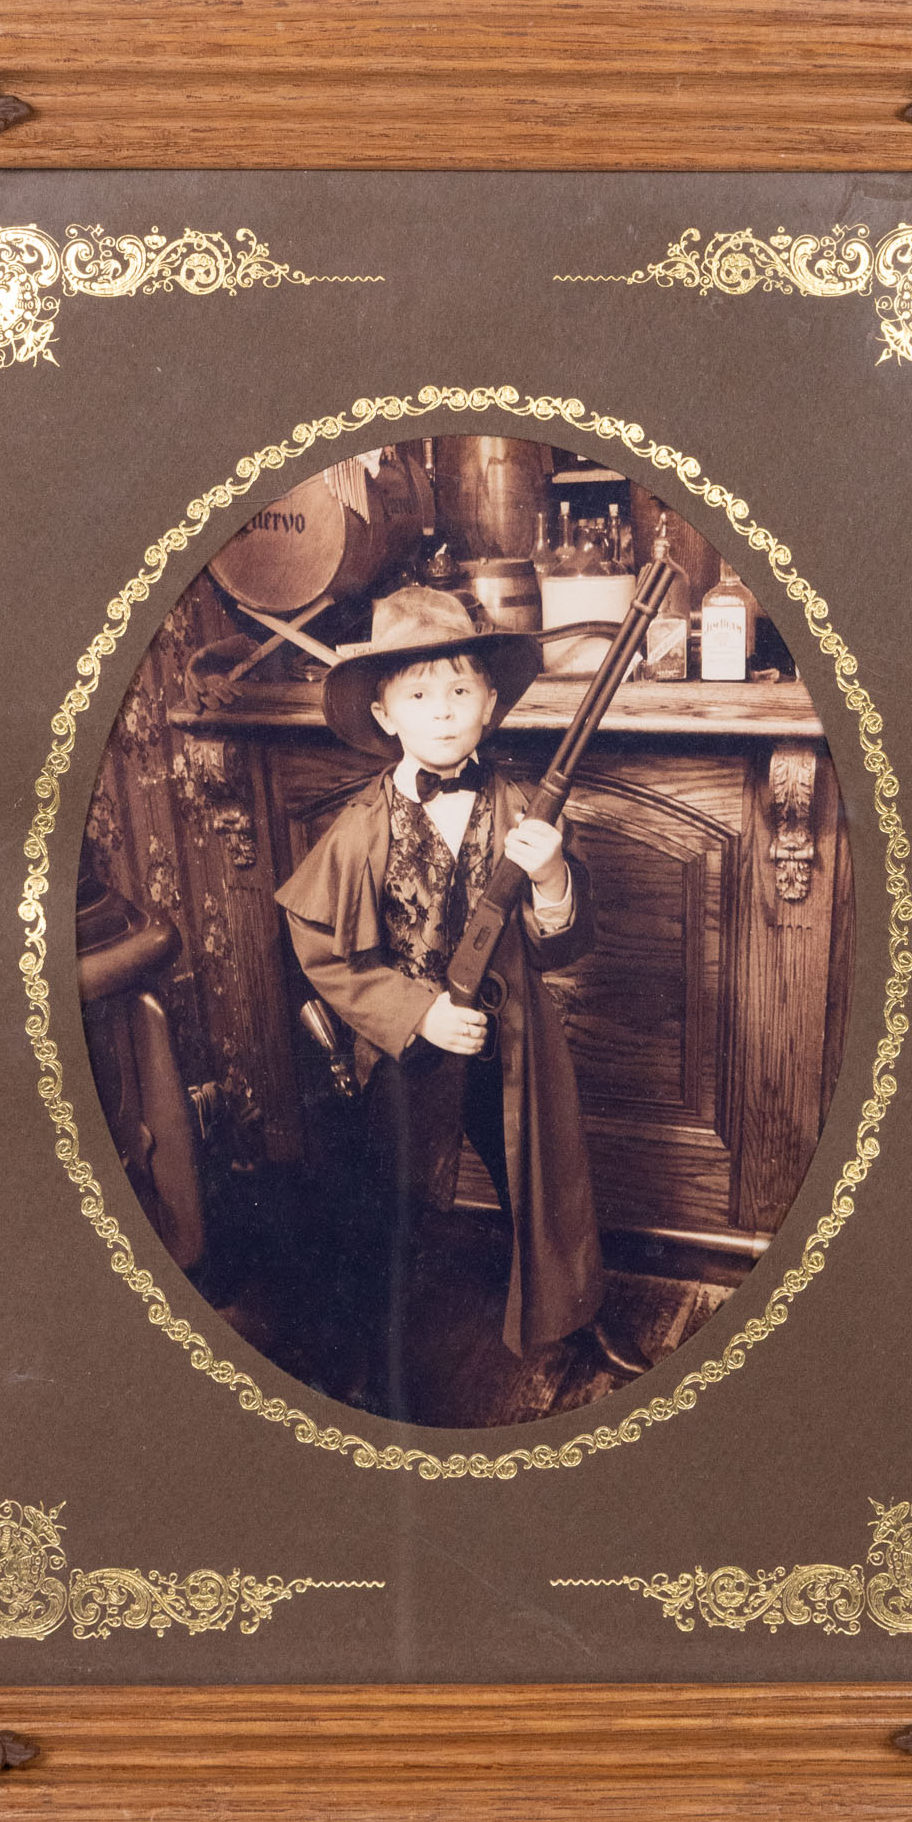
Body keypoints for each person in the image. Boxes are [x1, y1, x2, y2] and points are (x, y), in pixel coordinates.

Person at [275, 586, 647, 1413]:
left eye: (460, 691)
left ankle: (576, 1318)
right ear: (383, 713)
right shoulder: (361, 827)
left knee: (543, 1189)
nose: (441, 713)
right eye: (417, 694)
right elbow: (323, 955)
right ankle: (375, 1366)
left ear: (490, 703)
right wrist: (418, 1015)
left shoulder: (522, 806)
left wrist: (551, 877)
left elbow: (564, 940)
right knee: (389, 1213)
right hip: (405, 1053)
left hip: (510, 1042)